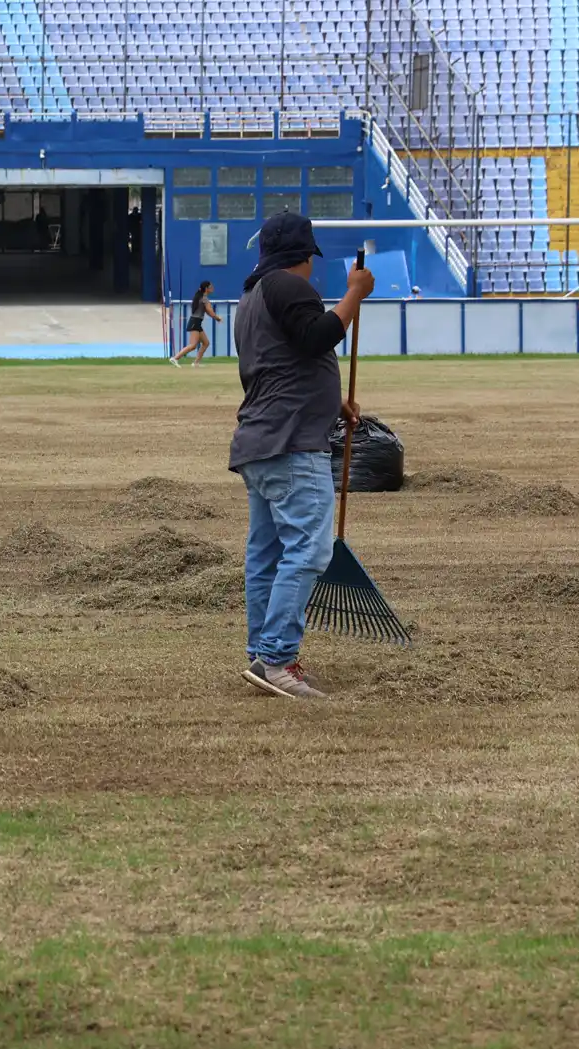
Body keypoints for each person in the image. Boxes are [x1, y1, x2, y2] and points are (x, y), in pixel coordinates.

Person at [230, 211, 372, 700]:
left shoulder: (250, 299)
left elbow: (281, 365)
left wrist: (333, 403)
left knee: (267, 555)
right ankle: (276, 659)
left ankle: (261, 652)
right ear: (303, 257)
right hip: (292, 445)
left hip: (260, 443)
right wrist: (355, 293)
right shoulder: (289, 288)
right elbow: (316, 337)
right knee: (309, 550)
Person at [170, 281, 222, 367]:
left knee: (206, 343)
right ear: (206, 289)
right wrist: (217, 318)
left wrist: (216, 318)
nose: (212, 288)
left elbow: (208, 312)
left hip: (197, 322)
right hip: (195, 322)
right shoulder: (204, 299)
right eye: (211, 287)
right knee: (193, 345)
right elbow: (210, 312)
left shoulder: (201, 297)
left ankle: (196, 363)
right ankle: (175, 358)